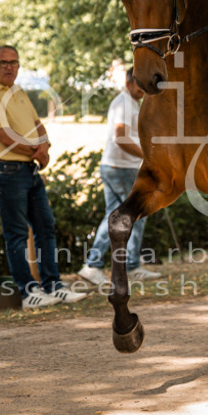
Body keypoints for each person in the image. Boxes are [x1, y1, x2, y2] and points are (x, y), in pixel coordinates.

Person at [0, 45, 87, 309]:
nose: (9, 67)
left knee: (45, 226)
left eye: (14, 62)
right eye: (3, 63)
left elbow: (37, 124)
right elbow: (3, 136)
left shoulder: (18, 91)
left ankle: (54, 286)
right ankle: (29, 292)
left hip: (29, 169)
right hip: (5, 169)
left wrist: (44, 146)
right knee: (16, 234)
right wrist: (36, 152)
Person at [78, 69, 162, 285]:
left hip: (119, 167)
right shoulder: (123, 103)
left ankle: (97, 265)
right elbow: (121, 138)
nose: (143, 89)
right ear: (128, 82)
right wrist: (148, 157)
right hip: (120, 168)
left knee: (114, 216)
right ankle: (121, 265)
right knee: (137, 214)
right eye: (140, 84)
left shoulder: (131, 103)